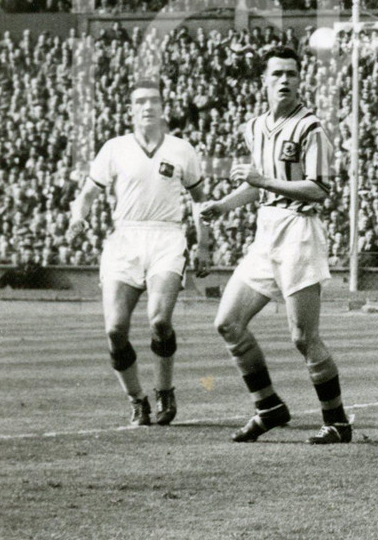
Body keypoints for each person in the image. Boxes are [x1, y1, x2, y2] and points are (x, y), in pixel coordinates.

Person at [199, 46, 351, 445]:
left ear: (300, 81)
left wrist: (262, 181)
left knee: (303, 337)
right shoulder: (254, 127)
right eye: (278, 74)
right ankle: (268, 407)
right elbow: (259, 186)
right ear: (264, 81)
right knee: (228, 323)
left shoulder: (310, 128)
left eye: (291, 74)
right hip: (266, 231)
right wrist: (224, 205)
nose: (285, 80)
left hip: (299, 231)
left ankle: (337, 422)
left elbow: (318, 189)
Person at [68, 80, 206, 426]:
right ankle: (137, 400)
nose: (148, 107)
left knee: (159, 320)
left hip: (167, 237)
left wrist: (204, 243)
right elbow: (87, 194)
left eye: (153, 101)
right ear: (130, 110)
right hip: (125, 239)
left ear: (163, 108)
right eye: (140, 102)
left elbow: (200, 200)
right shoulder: (114, 148)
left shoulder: (181, 149)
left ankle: (165, 391)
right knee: (115, 329)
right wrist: (77, 218)